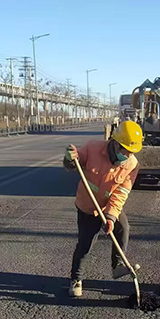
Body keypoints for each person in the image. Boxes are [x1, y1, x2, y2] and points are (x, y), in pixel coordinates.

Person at [63, 121, 143, 297]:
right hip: (87, 206)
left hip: (108, 205)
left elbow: (121, 193)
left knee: (123, 228)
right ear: (115, 143)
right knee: (85, 245)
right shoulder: (92, 148)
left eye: (131, 152)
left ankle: (118, 265)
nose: (128, 155)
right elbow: (73, 165)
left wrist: (111, 217)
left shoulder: (132, 164)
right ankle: (76, 279)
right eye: (125, 150)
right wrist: (69, 159)